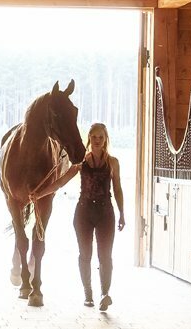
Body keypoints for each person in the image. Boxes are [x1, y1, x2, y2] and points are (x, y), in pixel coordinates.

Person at [34, 123, 125, 311]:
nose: (97, 141)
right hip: (83, 213)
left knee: (105, 255)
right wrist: (39, 194)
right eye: (94, 137)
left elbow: (117, 188)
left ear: (106, 138)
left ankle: (105, 294)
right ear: (89, 139)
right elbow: (60, 182)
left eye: (101, 137)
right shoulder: (80, 163)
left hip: (105, 212)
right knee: (85, 254)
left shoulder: (113, 162)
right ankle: (88, 294)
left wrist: (122, 213)